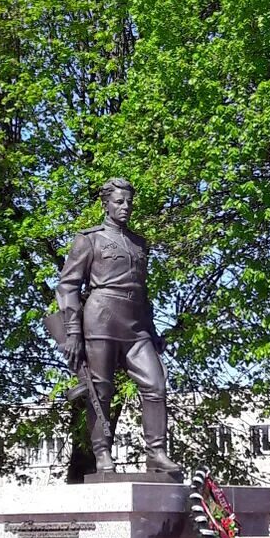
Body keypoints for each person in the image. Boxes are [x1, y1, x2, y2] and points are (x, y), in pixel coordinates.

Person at [55, 178, 179, 474]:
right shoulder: (89, 239)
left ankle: (156, 453)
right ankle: (102, 454)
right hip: (102, 318)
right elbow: (68, 287)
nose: (125, 207)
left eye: (128, 203)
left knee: (155, 383)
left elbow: (142, 292)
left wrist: (151, 331)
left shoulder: (139, 244)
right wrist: (73, 331)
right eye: (119, 202)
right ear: (106, 204)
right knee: (101, 392)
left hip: (135, 324)